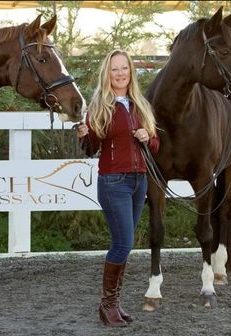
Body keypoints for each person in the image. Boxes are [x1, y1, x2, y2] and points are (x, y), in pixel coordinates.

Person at [76, 49, 159, 327]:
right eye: (115, 69)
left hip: (140, 181)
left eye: (124, 68)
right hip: (113, 182)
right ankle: (108, 305)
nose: (120, 73)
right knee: (122, 244)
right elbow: (91, 148)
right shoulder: (100, 105)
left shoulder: (140, 104)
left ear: (131, 72)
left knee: (126, 245)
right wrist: (84, 135)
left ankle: (114, 304)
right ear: (107, 73)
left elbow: (156, 145)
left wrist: (148, 136)